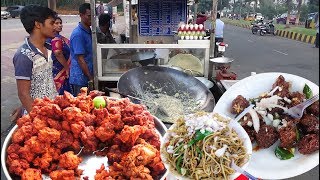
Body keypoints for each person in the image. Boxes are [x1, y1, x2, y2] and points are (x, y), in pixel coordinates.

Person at [12, 5, 58, 114]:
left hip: (52, 109)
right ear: (38, 24)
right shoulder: (24, 55)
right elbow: (23, 94)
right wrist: (38, 120)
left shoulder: (49, 47)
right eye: (51, 23)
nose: (55, 27)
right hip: (38, 116)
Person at [69, 3, 93, 96]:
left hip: (87, 75)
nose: (91, 19)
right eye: (89, 16)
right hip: (80, 79)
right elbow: (80, 59)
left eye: (93, 16)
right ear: (81, 15)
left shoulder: (89, 31)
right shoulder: (78, 34)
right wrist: (90, 78)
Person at [50, 16, 73, 95]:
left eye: (60, 23)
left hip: (62, 69)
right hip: (60, 70)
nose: (60, 25)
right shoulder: (55, 38)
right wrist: (67, 68)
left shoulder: (60, 38)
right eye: (56, 23)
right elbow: (58, 53)